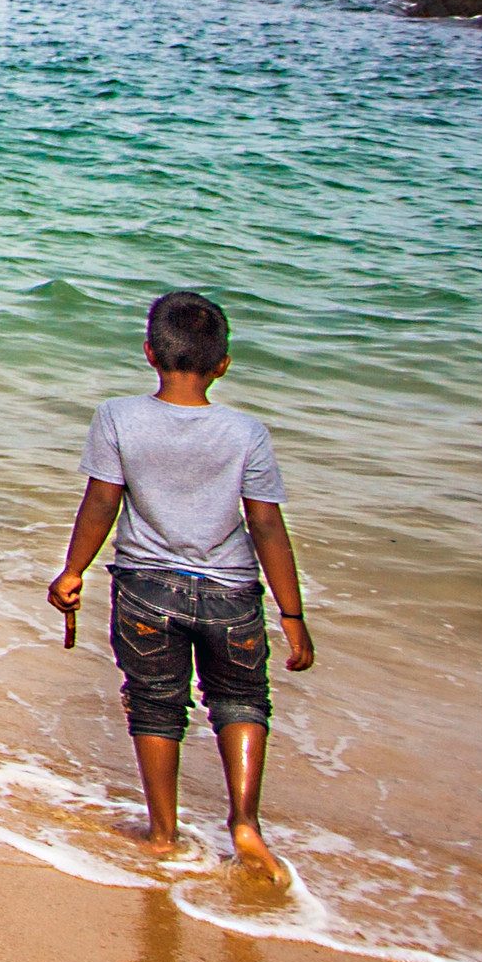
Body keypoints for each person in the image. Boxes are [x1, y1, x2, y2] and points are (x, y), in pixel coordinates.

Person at [45, 290, 315, 873]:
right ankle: (244, 823)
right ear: (223, 363)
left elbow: (102, 502)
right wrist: (293, 618)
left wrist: (73, 571)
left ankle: (163, 834)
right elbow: (266, 524)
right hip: (232, 594)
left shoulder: (117, 416)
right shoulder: (248, 433)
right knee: (242, 701)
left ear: (149, 353)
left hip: (146, 589)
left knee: (155, 708)